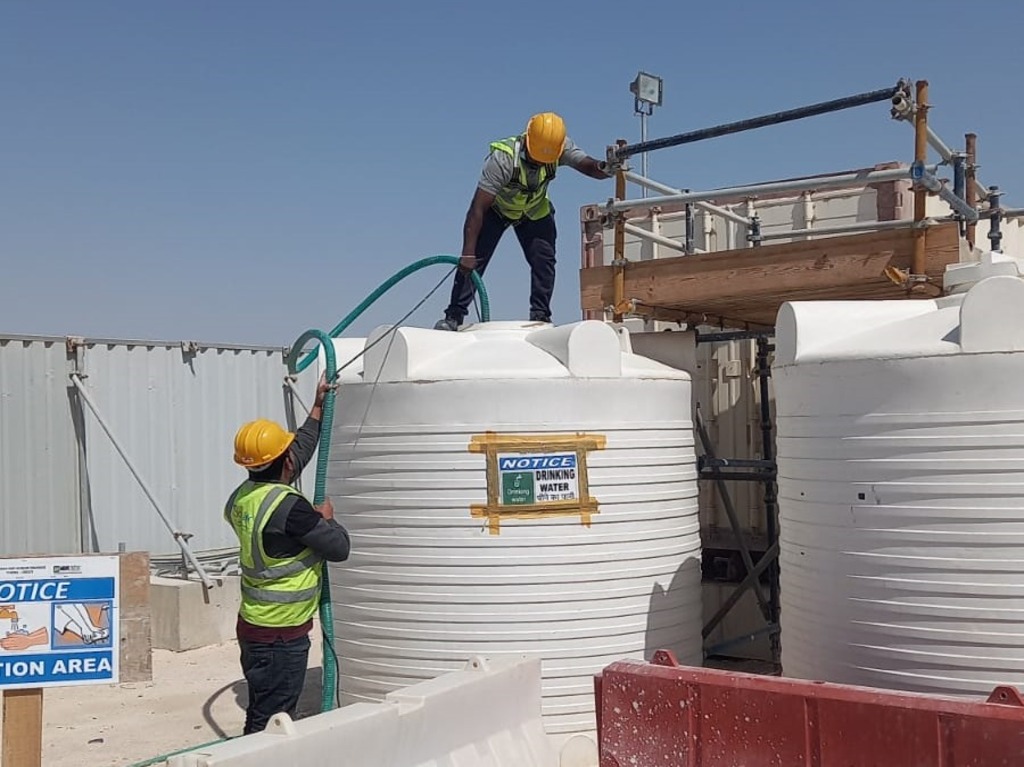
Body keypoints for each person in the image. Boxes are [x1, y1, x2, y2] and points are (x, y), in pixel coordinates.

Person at [224, 375, 351, 735]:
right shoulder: (290, 509)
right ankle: (254, 759)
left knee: (263, 709)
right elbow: (339, 549)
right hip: (281, 635)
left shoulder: (243, 497)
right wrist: (328, 520)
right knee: (273, 721)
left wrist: (317, 408)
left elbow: (297, 454)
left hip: (255, 627)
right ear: (284, 462)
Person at [434, 111, 612, 331]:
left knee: (544, 262)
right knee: (473, 262)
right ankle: (454, 316)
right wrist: (467, 252)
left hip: (534, 211)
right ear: (528, 141)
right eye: (536, 158)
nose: (539, 162)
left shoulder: (558, 146)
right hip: (497, 210)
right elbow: (477, 209)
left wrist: (606, 167)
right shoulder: (503, 159)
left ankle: (540, 317)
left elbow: (586, 165)